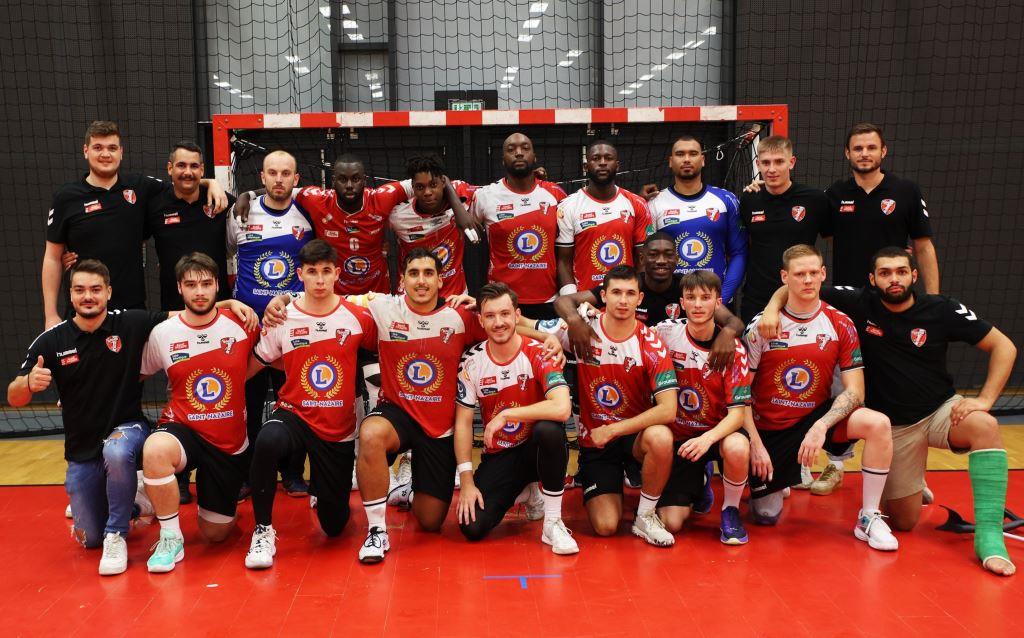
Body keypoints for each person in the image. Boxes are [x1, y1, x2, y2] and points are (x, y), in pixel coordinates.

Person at [756, 246, 1017, 575]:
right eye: (885, 273)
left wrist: (985, 400)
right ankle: (911, 481)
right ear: (872, 279)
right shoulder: (860, 302)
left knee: (984, 425)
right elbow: (798, 285)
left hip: (941, 411)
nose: (894, 279)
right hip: (896, 428)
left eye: (901, 272)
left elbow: (1004, 346)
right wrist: (771, 309)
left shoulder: (942, 309)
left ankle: (990, 538)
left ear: (914, 275)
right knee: (904, 522)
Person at [9, 260, 161, 575]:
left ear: (108, 292)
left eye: (95, 289)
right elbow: (14, 397)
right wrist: (28, 384)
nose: (88, 296)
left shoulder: (129, 323)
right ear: (71, 295)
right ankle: (135, 503)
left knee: (116, 451)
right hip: (82, 447)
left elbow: (184, 316)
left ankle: (116, 534)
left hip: (128, 429)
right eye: (79, 290)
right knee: (89, 538)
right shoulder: (52, 341)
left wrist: (228, 304)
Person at [742, 245, 897, 550]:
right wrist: (756, 445)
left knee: (878, 424)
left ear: (824, 274)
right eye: (800, 274)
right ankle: (781, 479)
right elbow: (740, 393)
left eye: (814, 273)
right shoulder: (763, 326)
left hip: (816, 417)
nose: (808, 280)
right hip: (771, 428)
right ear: (785, 277)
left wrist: (821, 425)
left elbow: (856, 391)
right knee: (766, 516)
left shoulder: (841, 323)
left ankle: (869, 517)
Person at [243, 240, 377, 569]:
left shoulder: (359, 317)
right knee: (267, 440)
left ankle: (323, 488)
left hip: (338, 428)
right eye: (312, 272)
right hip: (295, 413)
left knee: (334, 526)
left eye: (326, 271)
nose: (319, 279)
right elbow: (257, 362)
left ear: (337, 274)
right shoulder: (282, 318)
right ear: (300, 274)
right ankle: (262, 531)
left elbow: (382, 351)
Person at [42, 121, 227, 328]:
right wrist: (51, 315)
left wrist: (211, 183)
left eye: (112, 148)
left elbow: (182, 182)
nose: (105, 154)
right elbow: (52, 257)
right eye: (98, 148)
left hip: (132, 308)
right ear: (86, 151)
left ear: (121, 152)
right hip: (84, 307)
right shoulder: (66, 197)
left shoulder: (139, 186)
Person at [140, 253, 258, 573]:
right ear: (179, 288)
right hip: (184, 427)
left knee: (216, 535)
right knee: (154, 450)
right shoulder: (163, 333)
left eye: (206, 284)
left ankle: (200, 495)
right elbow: (134, 375)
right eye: (191, 285)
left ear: (218, 285)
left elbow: (271, 354)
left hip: (228, 443)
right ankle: (170, 537)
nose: (200, 291)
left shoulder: (243, 323)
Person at [549, 265, 679, 546]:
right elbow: (527, 326)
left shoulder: (651, 342)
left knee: (661, 437)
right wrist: (555, 335)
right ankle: (608, 484)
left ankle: (645, 516)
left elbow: (669, 409)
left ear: (639, 299)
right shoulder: (583, 329)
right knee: (606, 526)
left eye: (630, 294)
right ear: (603, 296)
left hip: (632, 437)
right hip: (596, 443)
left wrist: (613, 429)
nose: (623, 300)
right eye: (616, 292)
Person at [455, 282, 577, 554]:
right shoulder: (471, 362)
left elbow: (562, 408)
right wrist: (466, 481)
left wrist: (508, 414)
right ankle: (527, 491)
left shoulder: (540, 351)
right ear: (480, 320)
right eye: (490, 316)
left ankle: (553, 522)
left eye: (505, 314)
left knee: (549, 430)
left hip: (537, 448)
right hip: (501, 454)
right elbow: (463, 422)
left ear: (517, 315)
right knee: (472, 526)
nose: (498, 322)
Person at [226, 150, 312, 498]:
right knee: (246, 402)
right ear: (262, 177)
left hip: (291, 326)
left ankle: (292, 473)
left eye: (286, 173)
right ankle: (248, 475)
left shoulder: (307, 214)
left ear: (296, 179)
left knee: (294, 402)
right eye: (272, 173)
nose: (279, 179)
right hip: (247, 328)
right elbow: (229, 252)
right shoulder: (241, 213)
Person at [653, 271, 752, 544]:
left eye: (705, 298)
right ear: (682, 303)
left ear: (717, 303)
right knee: (671, 523)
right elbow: (629, 336)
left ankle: (730, 510)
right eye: (691, 297)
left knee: (738, 446)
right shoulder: (665, 333)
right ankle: (701, 482)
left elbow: (737, 415)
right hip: (681, 437)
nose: (698, 304)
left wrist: (707, 439)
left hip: (717, 433)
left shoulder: (734, 350)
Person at [826, 123, 939, 292]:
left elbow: (924, 247)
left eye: (871, 148)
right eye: (858, 148)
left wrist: (934, 298)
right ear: (847, 153)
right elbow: (829, 235)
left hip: (893, 294)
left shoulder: (906, 191)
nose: (864, 154)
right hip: (848, 295)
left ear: (883, 151)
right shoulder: (834, 194)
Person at [470, 133, 567, 319]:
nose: (519, 153)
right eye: (511, 149)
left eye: (525, 148)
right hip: (502, 300)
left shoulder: (555, 193)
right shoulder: (485, 196)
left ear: (534, 157)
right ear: (503, 160)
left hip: (548, 300)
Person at [643, 135, 747, 305]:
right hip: (670, 304)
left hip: (715, 302)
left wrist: (721, 298)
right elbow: (646, 258)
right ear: (670, 161)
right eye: (680, 154)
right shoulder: (654, 204)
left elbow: (739, 253)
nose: (686, 159)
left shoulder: (726, 200)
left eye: (693, 153)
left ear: (703, 160)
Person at [737, 136, 830, 324]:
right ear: (758, 164)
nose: (772, 169)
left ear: (791, 162)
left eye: (779, 162)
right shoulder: (749, 199)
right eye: (766, 163)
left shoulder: (815, 199)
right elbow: (743, 245)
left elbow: (832, 237)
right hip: (757, 299)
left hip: (801, 296)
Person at [144, 140, 234, 311]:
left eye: (194, 166)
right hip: (174, 309)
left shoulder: (220, 200)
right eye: (181, 165)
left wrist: (247, 195)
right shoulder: (155, 206)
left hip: (218, 305)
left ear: (202, 170)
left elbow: (263, 202)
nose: (188, 172)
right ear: (170, 168)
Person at [555, 140, 651, 291]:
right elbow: (563, 262)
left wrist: (636, 295)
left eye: (608, 158)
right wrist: (571, 299)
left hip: (624, 296)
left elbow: (643, 259)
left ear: (617, 166)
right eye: (596, 158)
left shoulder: (637, 204)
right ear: (585, 167)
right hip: (585, 297)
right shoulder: (568, 206)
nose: (602, 163)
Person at [389, 155, 476, 298]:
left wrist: (459, 210)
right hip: (412, 297)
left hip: (454, 297)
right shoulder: (398, 216)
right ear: (412, 188)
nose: (427, 192)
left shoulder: (462, 197)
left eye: (433, 185)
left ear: (443, 183)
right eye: (420, 187)